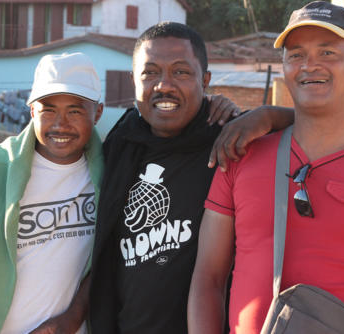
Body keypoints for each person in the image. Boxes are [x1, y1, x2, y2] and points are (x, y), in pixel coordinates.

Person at [188, 2, 344, 334]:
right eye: (296, 54)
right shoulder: (240, 155)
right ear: (284, 66)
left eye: (328, 53)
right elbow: (208, 278)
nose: (309, 65)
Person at [88, 22, 294, 334]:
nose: (164, 85)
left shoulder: (232, 140)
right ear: (133, 80)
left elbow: (322, 132)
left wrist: (269, 115)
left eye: (181, 72)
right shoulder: (120, 143)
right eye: (150, 72)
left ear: (205, 80)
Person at [0, 52, 104, 334]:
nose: (61, 124)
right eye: (48, 109)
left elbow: (108, 258)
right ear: (32, 111)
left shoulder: (112, 172)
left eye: (76, 110)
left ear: (98, 113)